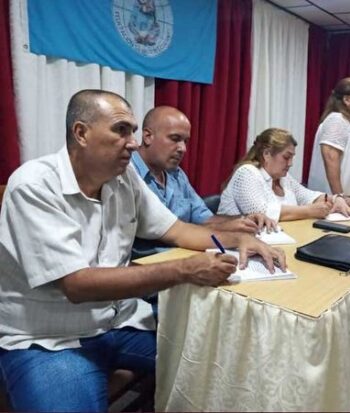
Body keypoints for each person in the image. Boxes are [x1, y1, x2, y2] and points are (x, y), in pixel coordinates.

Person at [0, 89, 285, 412]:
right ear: (81, 133)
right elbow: (77, 285)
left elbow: (176, 230)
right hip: (50, 339)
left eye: (133, 131)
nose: (133, 142)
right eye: (121, 130)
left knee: (221, 362)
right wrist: (184, 270)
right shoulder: (35, 185)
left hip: (121, 323)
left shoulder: (124, 179)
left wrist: (238, 240)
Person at [131, 106, 277, 259]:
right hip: (148, 263)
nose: (183, 148)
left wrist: (241, 219)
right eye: (174, 139)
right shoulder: (128, 173)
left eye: (185, 141)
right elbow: (175, 231)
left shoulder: (177, 174)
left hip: (186, 254)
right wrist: (229, 233)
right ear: (148, 136)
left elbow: (204, 219)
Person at [218, 128, 350, 221]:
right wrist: (309, 211)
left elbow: (309, 196)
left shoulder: (283, 178)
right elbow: (261, 212)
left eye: (292, 158)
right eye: (286, 157)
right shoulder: (247, 173)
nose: (290, 163)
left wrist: (335, 199)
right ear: (267, 154)